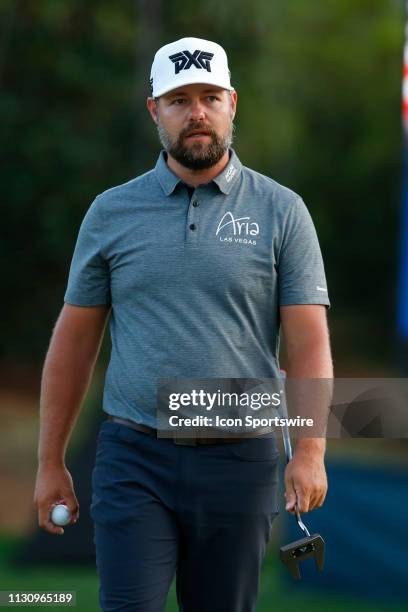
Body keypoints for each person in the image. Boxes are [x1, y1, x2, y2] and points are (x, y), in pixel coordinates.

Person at [34, 37, 332, 612]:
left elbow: (308, 342)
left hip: (240, 458)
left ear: (232, 104)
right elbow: (73, 345)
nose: (196, 112)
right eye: (178, 100)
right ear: (154, 110)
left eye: (209, 97)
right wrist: (50, 462)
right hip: (132, 455)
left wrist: (311, 450)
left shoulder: (281, 211)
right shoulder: (110, 212)